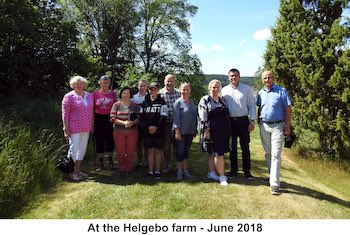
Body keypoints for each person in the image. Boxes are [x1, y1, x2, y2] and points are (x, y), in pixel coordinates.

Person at [257, 70, 292, 195]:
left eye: (269, 77)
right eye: (265, 78)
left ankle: (275, 184)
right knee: (268, 153)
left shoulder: (281, 91)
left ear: (273, 78)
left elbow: (288, 109)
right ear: (262, 80)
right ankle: (272, 176)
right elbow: (259, 108)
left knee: (276, 154)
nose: (267, 80)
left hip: (278, 125)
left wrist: (287, 126)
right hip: (264, 125)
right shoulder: (260, 93)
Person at [221, 68, 256, 179]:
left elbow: (251, 105)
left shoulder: (246, 89)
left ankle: (247, 171)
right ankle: (233, 170)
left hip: (243, 121)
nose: (233, 78)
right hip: (230, 122)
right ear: (228, 77)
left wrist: (252, 121)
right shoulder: (224, 90)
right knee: (232, 147)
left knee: (245, 147)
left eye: (235, 75)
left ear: (239, 76)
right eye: (231, 76)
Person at [62, 75, 94, 181]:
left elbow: (91, 112)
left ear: (84, 85)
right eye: (77, 83)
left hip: (86, 127)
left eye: (81, 83)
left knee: (82, 149)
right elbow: (65, 115)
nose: (79, 85)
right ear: (73, 85)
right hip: (74, 128)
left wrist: (92, 125)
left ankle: (78, 170)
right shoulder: (69, 97)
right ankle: (71, 172)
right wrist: (66, 129)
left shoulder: (89, 95)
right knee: (73, 150)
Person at [198, 80, 230, 186]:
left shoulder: (222, 100)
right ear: (209, 88)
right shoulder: (205, 100)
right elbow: (203, 116)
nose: (215, 89)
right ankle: (222, 176)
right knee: (218, 154)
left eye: (217, 87)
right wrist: (206, 130)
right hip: (211, 130)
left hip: (223, 131)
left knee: (212, 153)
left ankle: (211, 173)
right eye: (213, 87)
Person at [139, 82, 168, 180]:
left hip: (159, 131)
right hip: (147, 131)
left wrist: (156, 127)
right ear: (149, 90)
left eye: (155, 89)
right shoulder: (145, 102)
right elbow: (141, 117)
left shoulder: (162, 102)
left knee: (158, 151)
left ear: (158, 90)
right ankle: (151, 171)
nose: (153, 91)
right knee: (150, 151)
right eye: (151, 89)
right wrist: (148, 127)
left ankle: (157, 171)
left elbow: (163, 117)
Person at [110, 86, 139, 176]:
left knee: (130, 151)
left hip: (132, 132)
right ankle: (122, 167)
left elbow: (138, 118)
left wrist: (133, 123)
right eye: (124, 93)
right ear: (121, 94)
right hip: (118, 132)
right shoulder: (116, 105)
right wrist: (124, 123)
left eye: (128, 93)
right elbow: (112, 118)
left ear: (130, 94)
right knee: (120, 151)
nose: (126, 95)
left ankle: (129, 168)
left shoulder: (135, 106)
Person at [173, 82, 198, 180]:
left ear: (190, 90)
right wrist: (177, 132)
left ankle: (185, 170)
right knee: (180, 152)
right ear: (180, 90)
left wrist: (195, 129)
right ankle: (179, 171)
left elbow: (194, 116)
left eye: (187, 89)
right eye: (183, 89)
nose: (185, 91)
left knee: (186, 152)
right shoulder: (178, 102)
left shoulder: (191, 102)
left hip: (190, 132)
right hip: (181, 132)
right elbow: (176, 118)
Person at [93, 75, 117, 171]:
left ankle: (110, 161)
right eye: (103, 82)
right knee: (99, 141)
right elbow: (91, 108)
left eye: (107, 83)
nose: (105, 84)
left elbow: (116, 107)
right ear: (100, 83)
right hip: (98, 119)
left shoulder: (113, 94)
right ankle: (101, 163)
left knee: (110, 141)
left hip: (109, 118)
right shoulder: (95, 94)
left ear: (109, 83)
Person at [159, 74, 181, 173]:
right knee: (166, 146)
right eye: (167, 81)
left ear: (174, 82)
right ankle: (167, 165)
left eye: (171, 81)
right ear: (164, 82)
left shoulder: (179, 93)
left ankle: (178, 166)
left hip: (177, 124)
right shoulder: (160, 94)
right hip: (165, 124)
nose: (169, 83)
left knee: (177, 146)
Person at [131, 79, 148, 168]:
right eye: (140, 85)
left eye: (144, 86)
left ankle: (147, 161)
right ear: (138, 86)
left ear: (147, 87)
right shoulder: (133, 98)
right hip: (137, 124)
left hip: (147, 124)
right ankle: (140, 161)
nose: (142, 87)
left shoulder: (150, 97)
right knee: (138, 143)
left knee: (147, 143)